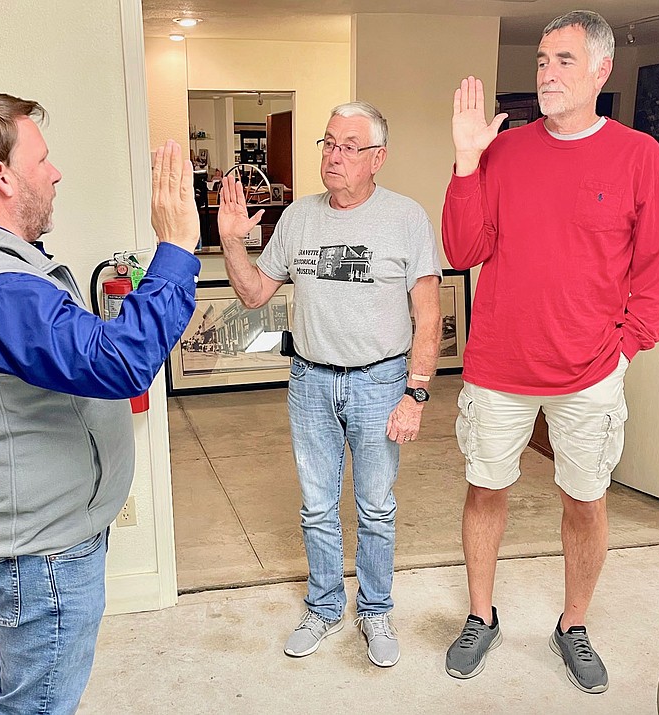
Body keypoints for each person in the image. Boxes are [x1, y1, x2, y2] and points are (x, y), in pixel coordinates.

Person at [0, 90, 200, 714]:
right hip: (38, 558)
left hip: (36, 544)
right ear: (2, 177)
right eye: (41, 159)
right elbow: (122, 363)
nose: (56, 171)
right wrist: (177, 249)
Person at [441, 10, 659, 694]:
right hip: (497, 364)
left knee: (585, 498)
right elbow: (462, 249)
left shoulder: (640, 157)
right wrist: (465, 162)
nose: (547, 72)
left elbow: (656, 274)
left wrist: (624, 351)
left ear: (601, 70)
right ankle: (480, 614)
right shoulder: (505, 152)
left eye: (564, 60)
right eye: (543, 60)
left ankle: (573, 624)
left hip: (591, 373)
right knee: (486, 488)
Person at [217, 101, 442, 668]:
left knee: (375, 507)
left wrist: (415, 394)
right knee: (317, 507)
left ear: (378, 159)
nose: (334, 156)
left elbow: (429, 315)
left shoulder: (406, 218)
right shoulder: (297, 217)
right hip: (310, 381)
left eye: (349, 146)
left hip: (381, 380)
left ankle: (375, 610)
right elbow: (253, 295)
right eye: (329, 143)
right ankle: (323, 607)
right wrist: (232, 241)